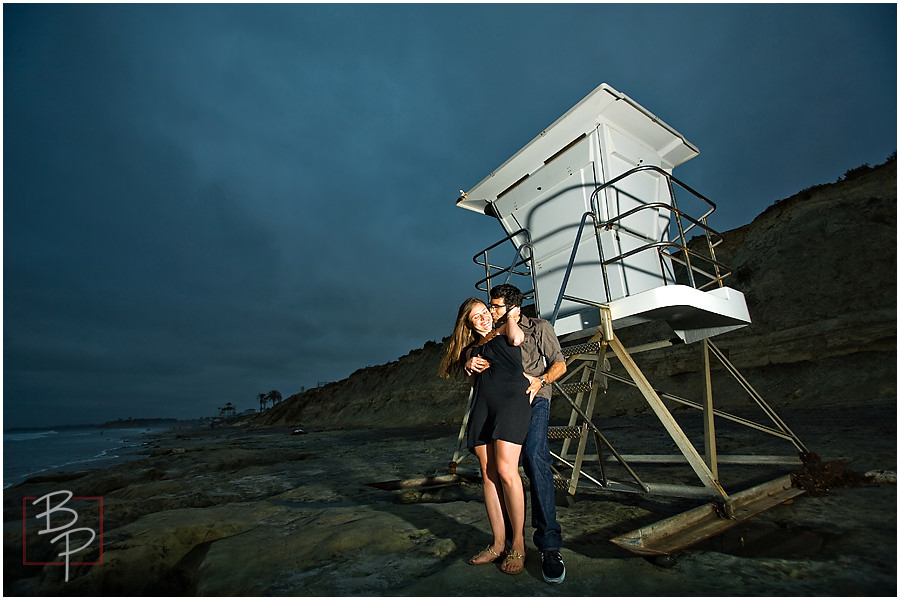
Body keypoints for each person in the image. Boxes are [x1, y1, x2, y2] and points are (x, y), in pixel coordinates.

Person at [466, 283, 568, 584]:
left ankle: (549, 546)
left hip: (534, 399)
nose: (492, 311)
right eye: (491, 306)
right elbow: (470, 355)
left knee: (534, 458)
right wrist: (467, 361)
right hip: (503, 404)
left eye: (496, 306)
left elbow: (559, 364)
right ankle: (508, 540)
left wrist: (541, 380)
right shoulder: (492, 333)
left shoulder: (539, 327)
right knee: (498, 469)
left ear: (513, 308)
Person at [439, 297, 530, 575]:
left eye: (484, 312)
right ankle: (498, 543)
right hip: (482, 406)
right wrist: (469, 363)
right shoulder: (470, 349)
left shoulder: (504, 330)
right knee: (487, 473)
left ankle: (519, 544)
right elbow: (471, 376)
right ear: (467, 322)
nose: (482, 318)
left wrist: (510, 316)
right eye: (475, 316)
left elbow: (517, 339)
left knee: (506, 470)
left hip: (511, 403)